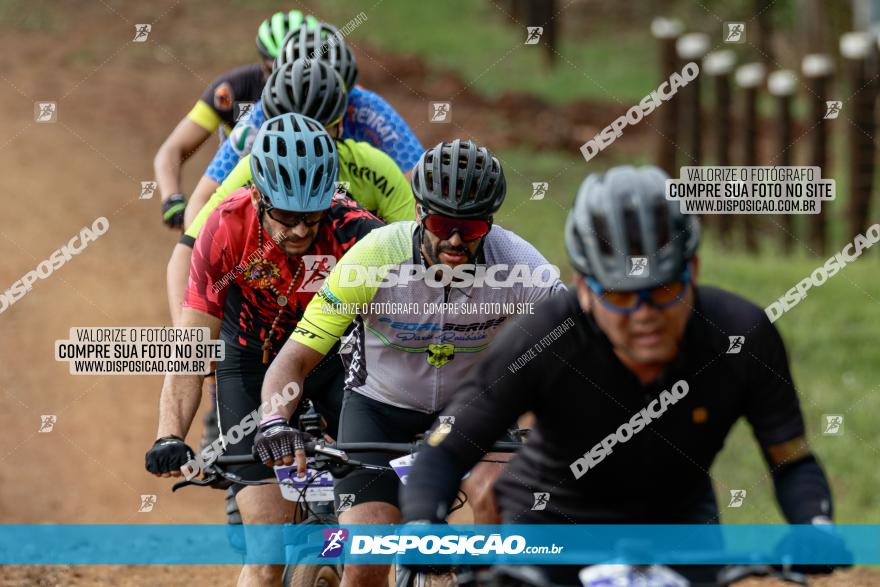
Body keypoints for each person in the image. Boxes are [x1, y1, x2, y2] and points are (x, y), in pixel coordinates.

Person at [400, 165, 841, 585]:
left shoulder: (741, 336)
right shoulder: (544, 337)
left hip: (681, 528)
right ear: (585, 289)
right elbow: (446, 448)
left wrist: (815, 526)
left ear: (694, 273)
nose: (644, 316)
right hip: (552, 526)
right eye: (620, 296)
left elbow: (791, 459)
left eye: (663, 291)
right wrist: (423, 522)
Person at [252, 139, 566, 587]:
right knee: (366, 555)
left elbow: (580, 346)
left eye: (472, 226)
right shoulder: (374, 257)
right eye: (442, 223)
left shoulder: (518, 264)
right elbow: (294, 358)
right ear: (419, 212)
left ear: (490, 222)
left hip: (472, 411)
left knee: (501, 511)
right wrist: (273, 421)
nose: (456, 240)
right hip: (378, 407)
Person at [145, 113, 383, 586]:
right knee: (268, 550)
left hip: (336, 361)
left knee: (371, 538)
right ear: (258, 195)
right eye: (287, 217)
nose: (299, 231)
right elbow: (191, 346)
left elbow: (400, 338)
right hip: (250, 360)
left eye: (311, 217)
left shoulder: (358, 234)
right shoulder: (225, 228)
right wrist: (170, 434)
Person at [167, 57, 414, 326]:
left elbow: (414, 256)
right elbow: (188, 247)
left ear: (340, 126)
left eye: (319, 136)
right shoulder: (253, 166)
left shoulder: (373, 166)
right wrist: (189, 343)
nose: (303, 151)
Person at [183, 20, 423, 228]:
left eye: (329, 100)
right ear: (281, 90)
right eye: (298, 102)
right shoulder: (260, 117)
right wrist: (193, 254)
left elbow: (418, 181)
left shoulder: (366, 107)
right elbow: (203, 200)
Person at [153, 10, 315, 229]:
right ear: (263, 62)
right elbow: (172, 149)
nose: (285, 82)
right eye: (274, 69)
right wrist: (171, 197)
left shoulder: (331, 97)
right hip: (236, 189)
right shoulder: (232, 89)